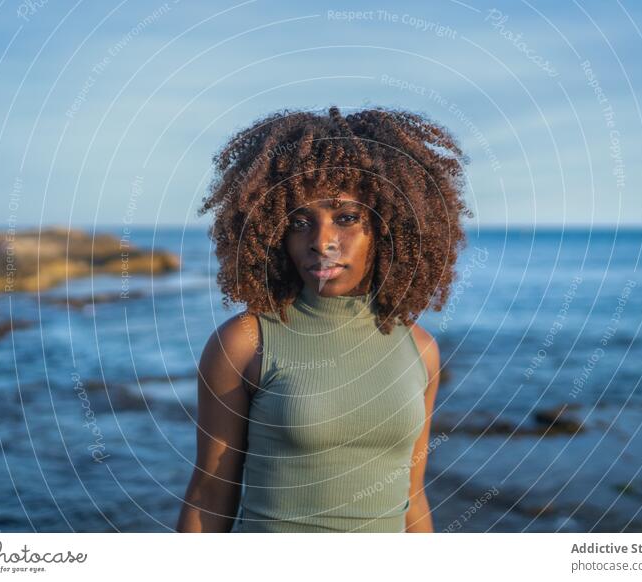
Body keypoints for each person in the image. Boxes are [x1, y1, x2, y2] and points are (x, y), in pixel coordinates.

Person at [176, 105, 470, 533]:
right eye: (300, 222)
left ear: (389, 226)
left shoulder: (420, 349)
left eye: (346, 218)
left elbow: (413, 495)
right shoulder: (245, 343)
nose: (322, 242)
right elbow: (209, 495)